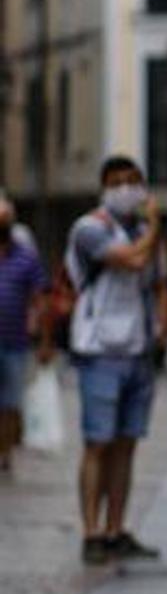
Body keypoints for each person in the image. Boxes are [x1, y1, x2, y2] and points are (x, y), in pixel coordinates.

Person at [66, 156, 167, 565]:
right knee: (98, 443)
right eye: (117, 182)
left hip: (138, 350)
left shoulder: (144, 229)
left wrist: (165, 323)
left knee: (126, 445)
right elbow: (132, 259)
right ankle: (92, 531)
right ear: (103, 187)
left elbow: (157, 279)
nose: (127, 188)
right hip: (99, 351)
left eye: (133, 181)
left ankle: (116, 528)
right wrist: (157, 228)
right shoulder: (90, 228)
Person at [0, 197, 51, 473]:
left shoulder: (26, 257)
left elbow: (41, 300)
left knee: (9, 402)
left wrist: (45, 341)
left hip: (15, 341)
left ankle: (5, 452)